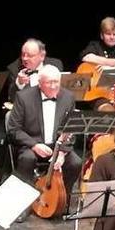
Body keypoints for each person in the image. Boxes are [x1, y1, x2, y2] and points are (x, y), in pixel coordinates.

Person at [7, 64, 82, 221]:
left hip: (57, 145)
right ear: (40, 83)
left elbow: (71, 129)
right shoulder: (24, 97)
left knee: (75, 162)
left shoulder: (68, 97)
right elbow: (13, 129)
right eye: (49, 82)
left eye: (56, 82)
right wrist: (34, 145)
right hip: (31, 144)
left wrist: (62, 152)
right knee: (27, 159)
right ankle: (24, 204)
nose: (54, 86)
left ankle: (61, 201)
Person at [6, 38, 64, 104]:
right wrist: (19, 83)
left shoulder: (56, 64)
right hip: (27, 108)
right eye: (23, 55)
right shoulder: (14, 68)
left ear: (42, 56)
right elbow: (13, 98)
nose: (25, 58)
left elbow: (62, 91)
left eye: (30, 55)